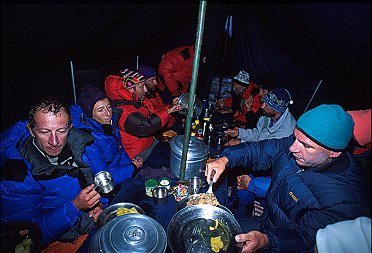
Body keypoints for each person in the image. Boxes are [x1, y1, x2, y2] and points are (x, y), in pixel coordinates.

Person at [205, 104, 370, 252]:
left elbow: (304, 237)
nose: (292, 148)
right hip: (266, 222)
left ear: (334, 153)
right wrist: (226, 159)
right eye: (295, 137)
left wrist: (267, 240)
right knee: (211, 232)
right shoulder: (296, 145)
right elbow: (260, 151)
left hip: (282, 243)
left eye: (306, 145)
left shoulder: (346, 200)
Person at [0, 99, 102, 251]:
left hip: (87, 222)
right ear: (31, 130)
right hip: (58, 243)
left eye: (61, 131)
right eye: (44, 132)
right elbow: (27, 239)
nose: (54, 141)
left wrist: (97, 204)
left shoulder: (81, 143)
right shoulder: (16, 177)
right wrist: (75, 206)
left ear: (70, 128)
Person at [225, 87, 296, 218]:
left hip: (272, 171)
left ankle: (241, 219)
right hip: (259, 158)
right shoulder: (267, 117)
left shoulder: (287, 133)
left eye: (267, 104)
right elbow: (258, 134)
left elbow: (268, 156)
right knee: (238, 178)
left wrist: (250, 179)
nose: (262, 105)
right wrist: (240, 134)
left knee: (244, 190)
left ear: (277, 109)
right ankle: (231, 208)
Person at [104, 68, 181, 162]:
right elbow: (144, 126)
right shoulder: (121, 110)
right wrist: (168, 112)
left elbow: (152, 115)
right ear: (131, 89)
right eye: (141, 87)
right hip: (138, 155)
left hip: (149, 144)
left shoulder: (138, 100)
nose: (145, 90)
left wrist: (170, 108)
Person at [70, 84, 142, 184]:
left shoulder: (109, 124)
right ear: (90, 114)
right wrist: (132, 168)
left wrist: (131, 165)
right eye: (100, 110)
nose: (108, 113)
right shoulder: (89, 141)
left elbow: (120, 151)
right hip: (107, 190)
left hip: (121, 175)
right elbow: (104, 178)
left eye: (108, 107)